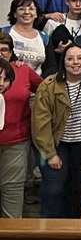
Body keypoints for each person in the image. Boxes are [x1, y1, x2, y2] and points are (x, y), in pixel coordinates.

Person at [32, 43, 81, 218]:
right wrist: (50, 154)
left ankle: (74, 229)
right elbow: (40, 124)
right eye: (70, 58)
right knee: (55, 187)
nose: (75, 62)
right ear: (63, 61)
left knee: (78, 187)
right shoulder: (48, 86)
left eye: (80, 58)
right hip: (58, 143)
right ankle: (50, 228)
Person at [0, 41, 42, 218]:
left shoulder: (22, 70)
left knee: (13, 190)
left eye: (4, 50)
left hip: (15, 142)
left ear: (11, 52)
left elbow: (46, 90)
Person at [4, 0, 48, 73]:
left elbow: (50, 65)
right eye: (21, 9)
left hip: (38, 82)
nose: (27, 12)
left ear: (36, 14)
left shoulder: (44, 37)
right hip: (8, 80)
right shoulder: (4, 32)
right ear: (14, 14)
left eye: (31, 9)